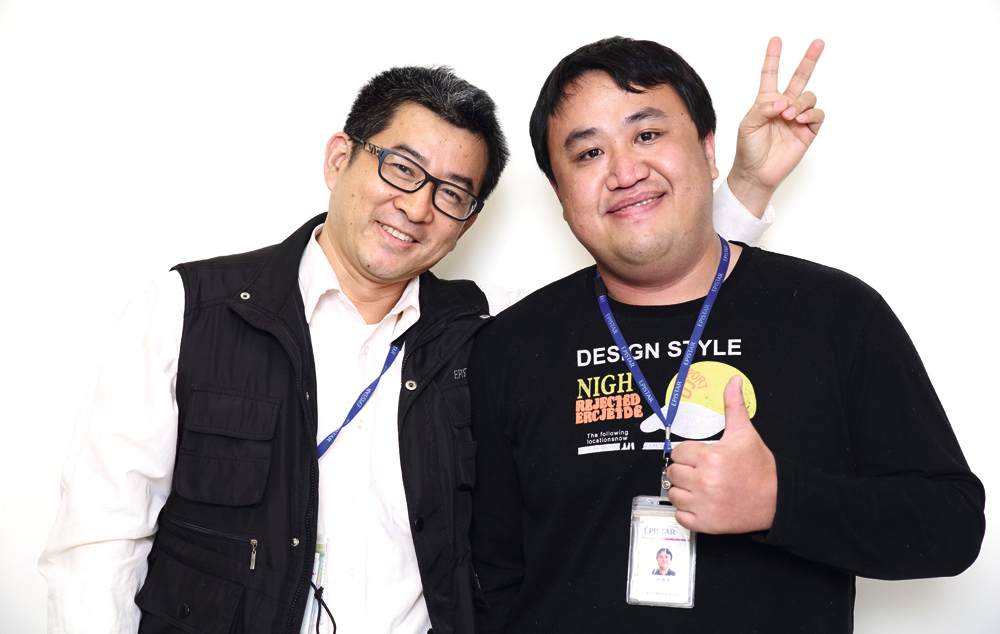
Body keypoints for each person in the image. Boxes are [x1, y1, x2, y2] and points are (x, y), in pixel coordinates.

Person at [40, 50, 806, 634]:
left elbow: (661, 279)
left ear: (468, 220)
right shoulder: (189, 309)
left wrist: (743, 187)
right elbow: (98, 544)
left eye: (452, 192)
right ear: (340, 159)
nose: (416, 206)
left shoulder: (487, 334)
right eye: (401, 168)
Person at [469, 37, 986, 634]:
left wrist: (780, 499)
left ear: (709, 150)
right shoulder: (511, 348)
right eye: (588, 153)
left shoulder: (835, 314)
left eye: (647, 134)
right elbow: (489, 577)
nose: (625, 172)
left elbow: (950, 526)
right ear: (560, 193)